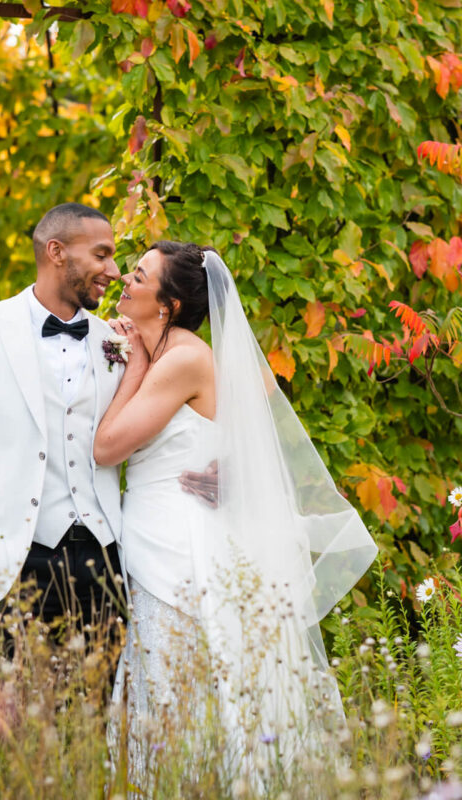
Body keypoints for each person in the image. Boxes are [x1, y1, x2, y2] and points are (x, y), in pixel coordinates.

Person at [94, 241, 378, 789]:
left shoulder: (182, 359)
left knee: (176, 689)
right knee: (161, 686)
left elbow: (107, 448)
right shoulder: (162, 348)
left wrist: (134, 368)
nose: (125, 280)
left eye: (139, 276)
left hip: (180, 545)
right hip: (156, 531)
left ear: (169, 305)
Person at [0, 202, 130, 654]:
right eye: (101, 255)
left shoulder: (116, 342)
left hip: (104, 563)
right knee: (2, 696)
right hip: (9, 560)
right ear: (56, 252)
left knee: (97, 697)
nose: (114, 271)